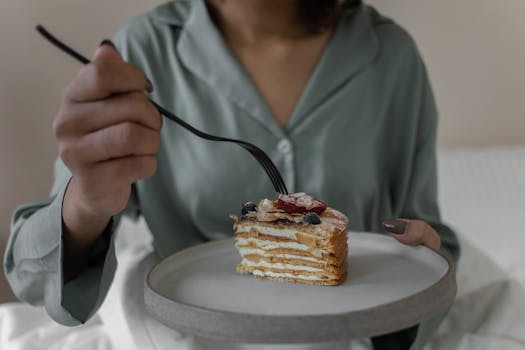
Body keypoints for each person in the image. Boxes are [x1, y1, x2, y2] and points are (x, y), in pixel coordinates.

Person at [4, 0, 460, 349]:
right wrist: (85, 204)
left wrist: (412, 303)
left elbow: (433, 241)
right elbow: (31, 281)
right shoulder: (143, 52)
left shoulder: (392, 58)